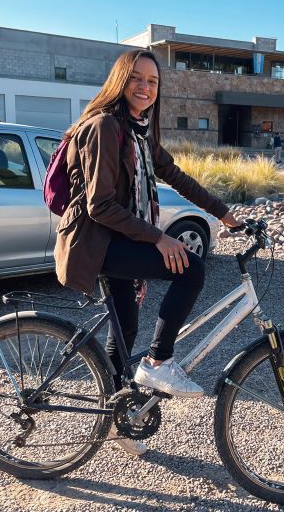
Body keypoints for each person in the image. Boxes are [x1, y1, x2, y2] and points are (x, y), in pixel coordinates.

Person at [55, 49, 242, 455]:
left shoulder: (137, 132)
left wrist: (224, 214)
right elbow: (99, 205)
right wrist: (159, 238)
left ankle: (117, 421)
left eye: (153, 81)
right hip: (95, 242)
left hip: (111, 239)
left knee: (123, 332)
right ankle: (159, 363)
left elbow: (175, 175)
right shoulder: (106, 126)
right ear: (120, 80)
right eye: (136, 78)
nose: (145, 87)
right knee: (190, 269)